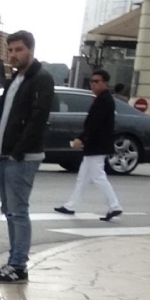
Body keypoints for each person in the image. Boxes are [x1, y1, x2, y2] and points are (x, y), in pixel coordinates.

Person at [0, 30, 55, 283]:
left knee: (18, 211)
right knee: (10, 211)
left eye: (19, 50)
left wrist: (16, 152)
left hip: (22, 157)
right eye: (11, 50)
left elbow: (37, 120)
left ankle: (19, 265)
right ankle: (13, 261)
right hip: (6, 155)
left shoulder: (41, 79)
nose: (14, 55)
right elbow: (5, 120)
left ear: (31, 50)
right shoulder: (15, 79)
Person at [57, 67, 124, 219]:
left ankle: (114, 206)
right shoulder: (102, 99)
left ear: (105, 83)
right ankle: (71, 205)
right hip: (95, 145)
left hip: (97, 145)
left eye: (96, 81)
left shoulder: (104, 101)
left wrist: (81, 138)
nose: (93, 84)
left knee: (98, 177)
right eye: (91, 81)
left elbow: (95, 123)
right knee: (83, 177)